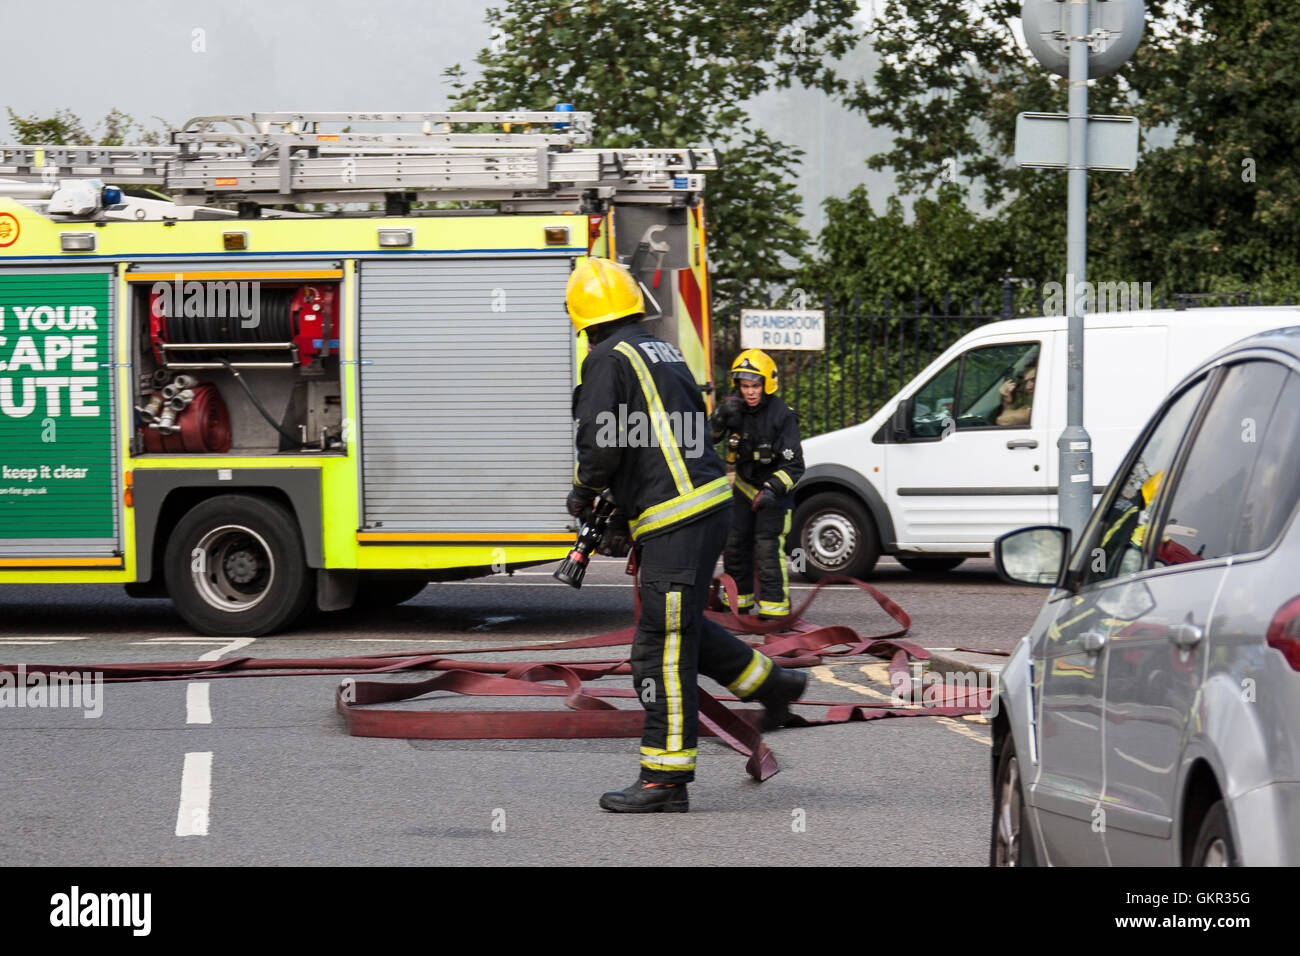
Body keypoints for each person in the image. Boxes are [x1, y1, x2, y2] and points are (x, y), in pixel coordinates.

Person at [565, 258, 808, 813]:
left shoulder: (606, 357)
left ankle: (664, 779)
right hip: (706, 507)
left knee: (659, 648)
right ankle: (772, 686)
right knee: (683, 625)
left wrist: (584, 491)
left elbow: (601, 446)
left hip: (677, 518)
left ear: (584, 317)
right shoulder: (661, 348)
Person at [710, 349, 805, 619]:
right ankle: (738, 603)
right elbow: (707, 441)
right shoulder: (734, 410)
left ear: (766, 384)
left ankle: (774, 609)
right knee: (735, 545)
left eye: (755, 386)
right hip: (743, 487)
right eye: (745, 386)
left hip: (774, 494)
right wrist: (718, 417)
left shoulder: (782, 416)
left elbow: (795, 466)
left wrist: (772, 490)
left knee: (766, 548)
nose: (750, 392)